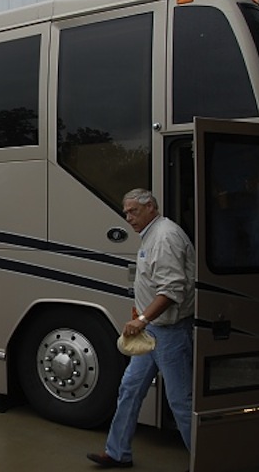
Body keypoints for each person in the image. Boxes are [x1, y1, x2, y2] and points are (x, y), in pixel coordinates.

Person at [87, 188, 196, 468]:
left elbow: (172, 289)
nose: (128, 217)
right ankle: (117, 453)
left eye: (134, 211)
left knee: (180, 401)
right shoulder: (152, 235)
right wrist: (143, 316)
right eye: (126, 212)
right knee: (130, 389)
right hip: (153, 332)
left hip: (168, 333)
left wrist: (142, 319)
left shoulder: (165, 237)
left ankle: (204, 461)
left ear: (152, 208)